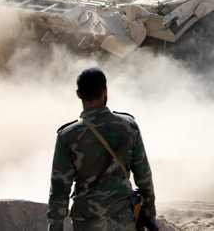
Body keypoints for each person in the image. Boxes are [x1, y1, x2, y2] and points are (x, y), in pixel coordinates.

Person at [47, 67, 157, 231]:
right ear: (105, 91)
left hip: (88, 220)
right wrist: (149, 212)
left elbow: (60, 188)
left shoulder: (68, 136)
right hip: (123, 219)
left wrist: (55, 226)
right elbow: (143, 175)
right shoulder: (128, 126)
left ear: (78, 94)